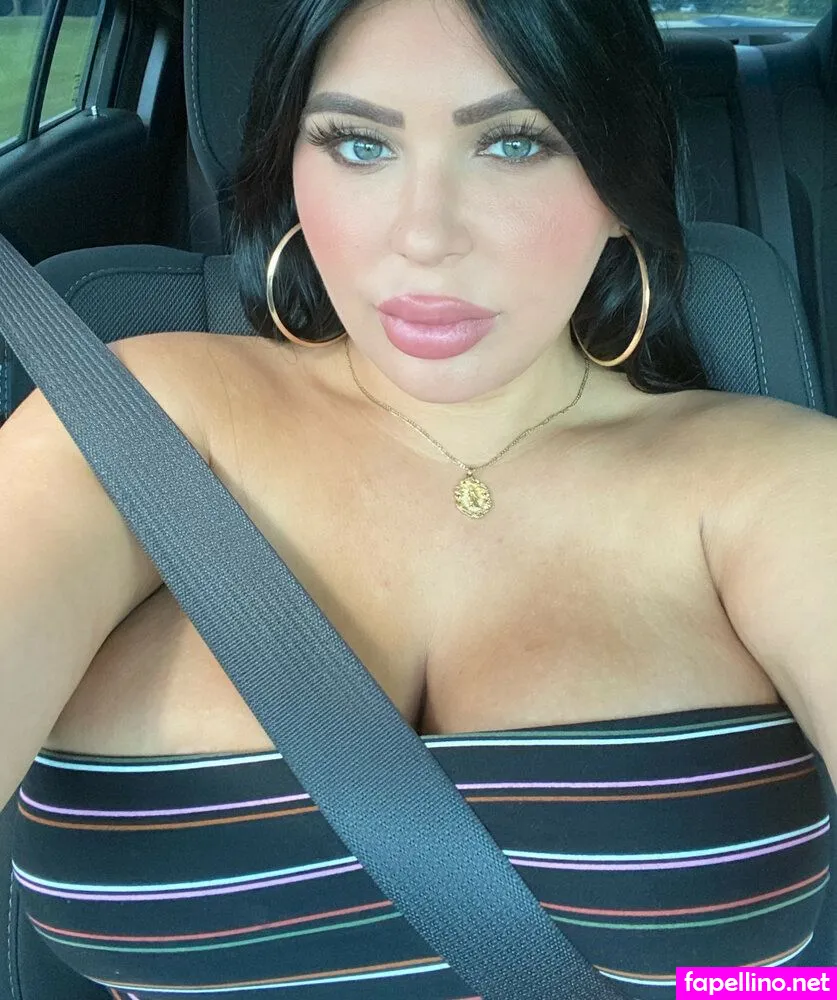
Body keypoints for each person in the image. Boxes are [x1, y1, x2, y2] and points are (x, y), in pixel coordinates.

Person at [3, 0, 836, 996]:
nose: (425, 236)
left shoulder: (780, 482)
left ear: (624, 181)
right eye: (359, 144)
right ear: (290, 168)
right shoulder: (126, 422)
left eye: (516, 142)